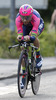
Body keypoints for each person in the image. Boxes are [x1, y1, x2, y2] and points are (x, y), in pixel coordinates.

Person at [15, 4, 44, 88]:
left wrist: (30, 37)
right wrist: (20, 37)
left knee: (33, 37)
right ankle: (24, 75)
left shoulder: (36, 17)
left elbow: (33, 35)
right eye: (22, 17)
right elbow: (20, 33)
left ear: (31, 15)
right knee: (23, 46)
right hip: (26, 27)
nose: (24, 19)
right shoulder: (18, 19)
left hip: (36, 26)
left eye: (27, 17)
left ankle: (38, 56)